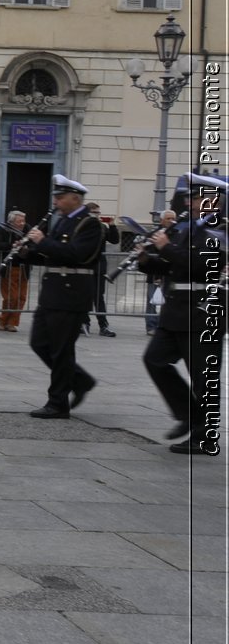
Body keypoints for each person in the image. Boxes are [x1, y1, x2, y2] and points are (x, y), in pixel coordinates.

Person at [138, 173, 226, 456]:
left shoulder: (221, 229)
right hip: (177, 309)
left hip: (204, 311)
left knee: (204, 376)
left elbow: (203, 266)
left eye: (196, 197)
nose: (190, 201)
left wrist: (167, 247)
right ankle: (188, 413)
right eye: (191, 197)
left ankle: (206, 437)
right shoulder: (187, 227)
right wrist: (147, 259)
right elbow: (173, 267)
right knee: (155, 360)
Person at [18, 175, 102, 419]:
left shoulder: (89, 224)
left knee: (61, 350)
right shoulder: (63, 221)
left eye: (60, 197)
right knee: (40, 343)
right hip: (53, 292)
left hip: (71, 292)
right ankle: (80, 380)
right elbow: (51, 254)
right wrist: (26, 251)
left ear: (75, 199)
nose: (55, 201)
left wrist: (42, 242)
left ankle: (58, 402)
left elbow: (77, 254)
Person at [0, 209, 33, 332]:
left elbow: (34, 244)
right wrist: (12, 245)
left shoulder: (28, 230)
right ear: (11, 221)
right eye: (19, 221)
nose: (22, 223)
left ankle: (12, 323)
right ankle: (3, 321)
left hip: (24, 267)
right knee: (11, 297)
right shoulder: (3, 229)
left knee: (21, 297)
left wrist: (27, 247)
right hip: (9, 267)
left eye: (23, 221)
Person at [83, 202, 119, 337]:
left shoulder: (102, 227)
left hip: (98, 267)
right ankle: (84, 323)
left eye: (98, 212)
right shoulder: (83, 225)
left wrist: (113, 225)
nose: (98, 214)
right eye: (95, 212)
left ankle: (103, 325)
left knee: (99, 297)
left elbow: (114, 240)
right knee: (85, 297)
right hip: (85, 267)